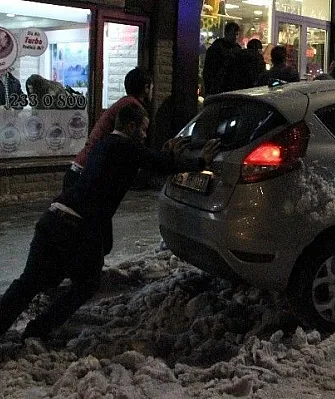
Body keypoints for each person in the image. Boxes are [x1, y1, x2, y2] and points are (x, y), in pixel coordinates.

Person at [0, 103, 220, 340]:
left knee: (28, 284)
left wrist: (166, 154)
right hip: (78, 228)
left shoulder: (106, 145)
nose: (145, 136)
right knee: (86, 283)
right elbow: (157, 164)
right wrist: (200, 161)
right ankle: (39, 330)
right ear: (130, 126)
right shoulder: (123, 145)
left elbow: (141, 172)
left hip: (54, 218)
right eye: (143, 130)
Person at [62, 67, 153, 255]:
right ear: (145, 88)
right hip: (85, 175)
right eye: (151, 86)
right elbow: (135, 149)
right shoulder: (132, 109)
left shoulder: (124, 103)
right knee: (95, 241)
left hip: (80, 171)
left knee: (94, 239)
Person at [202, 21, 240, 96]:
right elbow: (208, 73)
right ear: (226, 33)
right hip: (218, 90)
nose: (235, 37)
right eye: (233, 34)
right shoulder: (215, 50)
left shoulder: (237, 50)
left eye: (236, 34)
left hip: (230, 90)